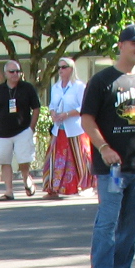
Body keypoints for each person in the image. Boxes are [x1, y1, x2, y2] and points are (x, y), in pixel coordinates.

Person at [82, 24, 135, 268]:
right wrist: (104, 148)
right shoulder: (103, 80)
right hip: (113, 168)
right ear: (121, 45)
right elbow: (87, 119)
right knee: (108, 220)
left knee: (132, 223)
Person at [0, 61, 41, 200]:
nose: (16, 74)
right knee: (5, 161)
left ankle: (26, 178)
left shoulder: (27, 88)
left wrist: (31, 128)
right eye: (12, 71)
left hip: (22, 131)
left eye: (18, 71)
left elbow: (36, 108)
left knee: (24, 160)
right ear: (5, 74)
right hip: (3, 132)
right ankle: (9, 191)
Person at [45, 58, 92, 197]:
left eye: (64, 67)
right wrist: (53, 113)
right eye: (59, 67)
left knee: (80, 156)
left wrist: (67, 114)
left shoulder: (79, 86)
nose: (60, 70)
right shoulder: (56, 87)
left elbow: (83, 106)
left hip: (75, 128)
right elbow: (52, 104)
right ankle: (54, 188)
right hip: (59, 128)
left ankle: (85, 186)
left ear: (71, 69)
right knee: (56, 158)